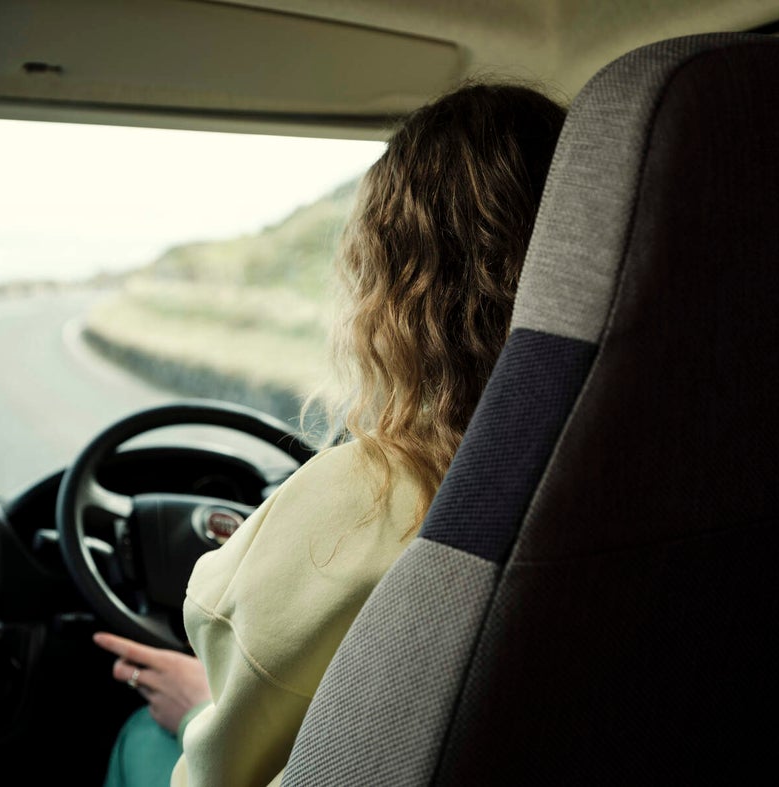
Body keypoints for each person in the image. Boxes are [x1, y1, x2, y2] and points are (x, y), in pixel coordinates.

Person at [94, 80, 567, 787]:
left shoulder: (361, 498)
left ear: (392, 279)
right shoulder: (637, 460)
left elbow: (227, 763)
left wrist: (202, 704)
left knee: (141, 735)